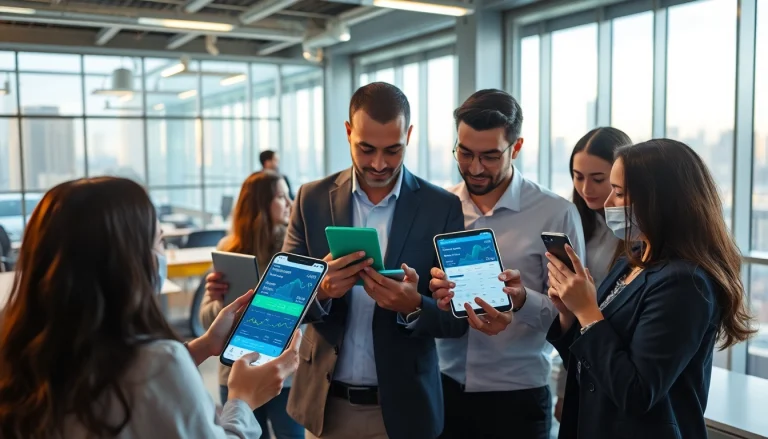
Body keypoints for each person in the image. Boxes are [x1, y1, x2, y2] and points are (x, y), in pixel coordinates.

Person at [0, 177, 300, 439]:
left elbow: (119, 371)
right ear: (125, 260)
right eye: (158, 241)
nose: (162, 255)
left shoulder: (20, 346)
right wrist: (242, 400)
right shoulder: (160, 363)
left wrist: (203, 346)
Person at [282, 82, 467, 439]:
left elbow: (458, 322)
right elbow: (281, 305)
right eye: (366, 149)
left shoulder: (440, 208)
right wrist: (320, 291)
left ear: (409, 136)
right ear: (348, 132)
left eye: (393, 150)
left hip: (406, 413)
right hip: (325, 408)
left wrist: (414, 305)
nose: (379, 164)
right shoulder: (311, 199)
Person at [545, 139, 755, 439]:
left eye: (618, 193)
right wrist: (570, 314)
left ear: (660, 200)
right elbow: (592, 365)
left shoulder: (685, 283)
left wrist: (587, 311)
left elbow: (637, 392)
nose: (607, 204)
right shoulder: (632, 259)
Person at [426, 89, 585, 439]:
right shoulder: (439, 206)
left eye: (490, 156)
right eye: (464, 153)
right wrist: (431, 292)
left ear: (516, 147)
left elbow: (574, 315)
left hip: (518, 396)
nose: (475, 167)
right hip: (443, 388)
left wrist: (522, 301)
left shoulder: (555, 214)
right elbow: (423, 300)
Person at [202, 170, 303, 439]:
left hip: (282, 375)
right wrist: (218, 301)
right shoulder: (229, 249)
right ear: (260, 205)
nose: (290, 203)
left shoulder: (293, 253)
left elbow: (303, 318)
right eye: (281, 197)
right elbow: (206, 322)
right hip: (236, 371)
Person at [553, 127, 631, 422]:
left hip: (621, 359)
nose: (586, 188)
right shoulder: (576, 225)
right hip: (582, 356)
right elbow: (573, 320)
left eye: (599, 179)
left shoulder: (635, 235)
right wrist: (563, 390)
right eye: (578, 176)